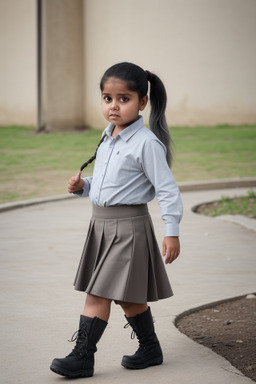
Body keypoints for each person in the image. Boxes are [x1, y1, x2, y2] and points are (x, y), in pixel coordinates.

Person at [50, 62, 183, 378]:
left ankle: (83, 356)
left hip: (128, 229)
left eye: (123, 99)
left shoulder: (147, 143)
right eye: (107, 98)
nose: (113, 106)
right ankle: (150, 348)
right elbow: (111, 181)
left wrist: (172, 231)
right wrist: (85, 187)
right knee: (126, 296)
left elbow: (167, 190)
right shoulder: (108, 136)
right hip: (102, 225)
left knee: (98, 293)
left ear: (143, 102)